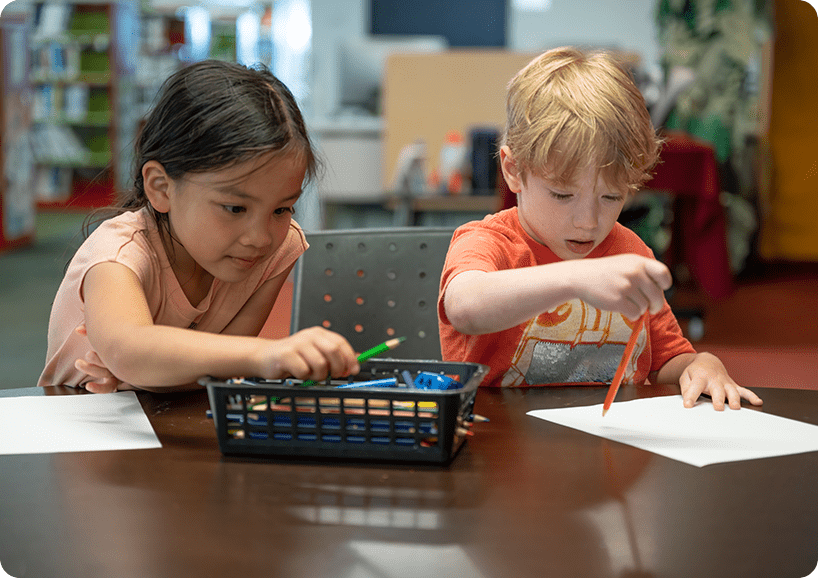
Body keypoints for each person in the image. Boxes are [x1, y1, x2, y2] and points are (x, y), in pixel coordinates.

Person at [438, 47, 762, 410]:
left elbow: (668, 360)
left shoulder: (629, 250)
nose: (588, 221)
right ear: (513, 171)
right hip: (501, 448)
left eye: (611, 197)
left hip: (610, 453)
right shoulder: (488, 242)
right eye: (562, 195)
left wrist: (703, 364)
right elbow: (464, 307)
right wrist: (576, 277)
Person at [39, 60, 360, 393]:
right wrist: (267, 352)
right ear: (161, 188)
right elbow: (129, 349)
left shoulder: (280, 248)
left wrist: (143, 377)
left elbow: (216, 372)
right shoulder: (118, 253)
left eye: (282, 209)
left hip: (173, 422)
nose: (260, 237)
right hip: (83, 423)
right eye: (235, 208)